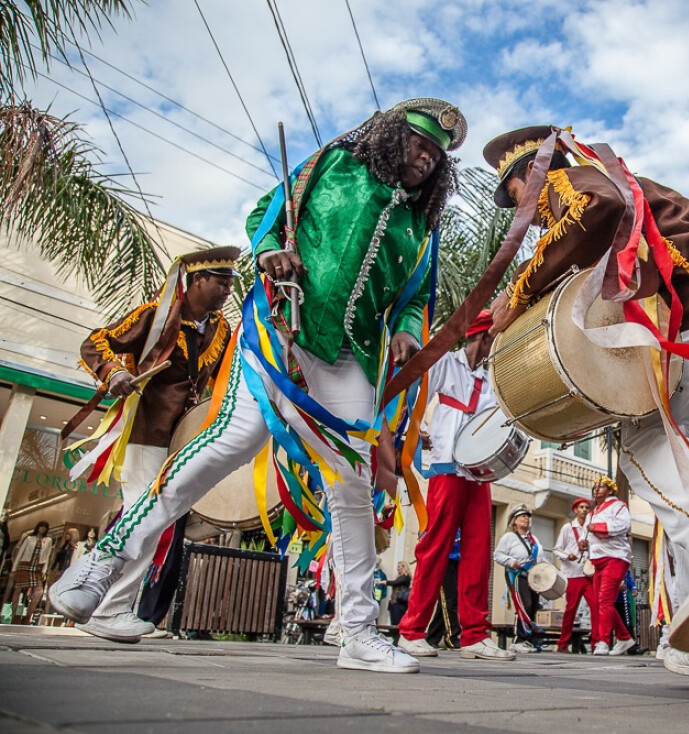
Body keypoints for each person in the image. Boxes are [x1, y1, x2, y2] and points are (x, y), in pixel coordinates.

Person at [50, 98, 467, 675]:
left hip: (349, 358)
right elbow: (263, 219)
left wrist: (404, 330)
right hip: (282, 331)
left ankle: (359, 634)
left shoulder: (422, 223)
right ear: (394, 138)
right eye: (418, 144)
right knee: (223, 447)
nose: (424, 157)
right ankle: (105, 557)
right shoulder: (331, 165)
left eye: (434, 155)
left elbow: (418, 294)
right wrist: (272, 252)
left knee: (351, 479)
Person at [483, 126, 689, 683]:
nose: (531, 217)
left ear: (531, 176)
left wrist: (513, 294)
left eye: (518, 198)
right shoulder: (607, 182)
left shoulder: (575, 179)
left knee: (645, 453)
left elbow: (597, 208)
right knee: (688, 466)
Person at [62, 245, 239, 642]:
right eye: (222, 282)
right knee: (148, 520)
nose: (228, 290)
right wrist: (113, 376)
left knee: (154, 521)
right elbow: (96, 343)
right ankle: (108, 608)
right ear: (197, 280)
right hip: (148, 434)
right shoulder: (154, 316)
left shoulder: (221, 329)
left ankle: (95, 599)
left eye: (231, 283)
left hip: (185, 440)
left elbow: (228, 377)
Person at [398, 311, 514, 661]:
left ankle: (475, 636)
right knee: (434, 548)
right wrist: (414, 435)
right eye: (493, 338)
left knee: (479, 553)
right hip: (448, 468)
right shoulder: (446, 363)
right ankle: (412, 631)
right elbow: (415, 397)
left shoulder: (494, 375)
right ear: (481, 337)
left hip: (481, 472)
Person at [582, 477, 634, 656]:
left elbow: (622, 525)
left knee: (604, 600)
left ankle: (603, 641)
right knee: (600, 602)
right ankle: (624, 637)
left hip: (615, 557)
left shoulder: (619, 506)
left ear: (610, 490)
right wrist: (584, 542)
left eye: (601, 487)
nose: (597, 490)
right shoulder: (592, 511)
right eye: (595, 487)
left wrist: (595, 527)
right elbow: (588, 534)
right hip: (598, 560)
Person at [493, 505, 550, 652]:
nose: (526, 519)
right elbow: (497, 555)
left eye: (528, 516)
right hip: (517, 575)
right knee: (525, 605)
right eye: (522, 516)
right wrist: (512, 562)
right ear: (515, 521)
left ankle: (530, 640)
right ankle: (518, 640)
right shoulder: (509, 537)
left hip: (533, 577)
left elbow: (541, 558)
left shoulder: (534, 539)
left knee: (535, 606)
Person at [552, 497, 596, 653]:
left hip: (588, 574)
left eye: (586, 508)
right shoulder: (567, 528)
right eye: (581, 507)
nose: (584, 510)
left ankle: (596, 642)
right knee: (571, 609)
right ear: (575, 510)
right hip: (572, 574)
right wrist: (567, 556)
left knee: (595, 606)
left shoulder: (591, 529)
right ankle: (562, 643)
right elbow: (556, 549)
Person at [8, 521, 52, 624]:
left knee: (39, 591)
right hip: (25, 564)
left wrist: (44, 570)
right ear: (38, 527)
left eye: (45, 527)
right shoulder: (29, 539)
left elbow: (47, 556)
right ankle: (14, 615)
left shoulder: (48, 540)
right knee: (18, 590)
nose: (42, 529)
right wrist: (14, 568)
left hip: (37, 567)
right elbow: (21, 553)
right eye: (41, 527)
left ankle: (28, 615)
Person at [385, 561, 411, 627]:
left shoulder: (406, 577)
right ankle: (394, 636)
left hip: (399, 604)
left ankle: (395, 637)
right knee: (393, 624)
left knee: (396, 624)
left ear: (404, 567)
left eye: (399, 567)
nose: (397, 568)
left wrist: (384, 582)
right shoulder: (400, 577)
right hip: (394, 603)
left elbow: (394, 583)